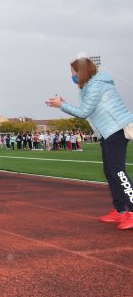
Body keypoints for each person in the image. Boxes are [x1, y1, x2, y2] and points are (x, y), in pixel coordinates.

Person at [46, 57, 133, 230]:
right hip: (106, 132)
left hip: (115, 129)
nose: (71, 76)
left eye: (73, 72)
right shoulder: (87, 87)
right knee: (110, 171)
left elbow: (85, 112)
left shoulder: (96, 85)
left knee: (117, 171)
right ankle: (120, 210)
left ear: (81, 72)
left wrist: (62, 105)